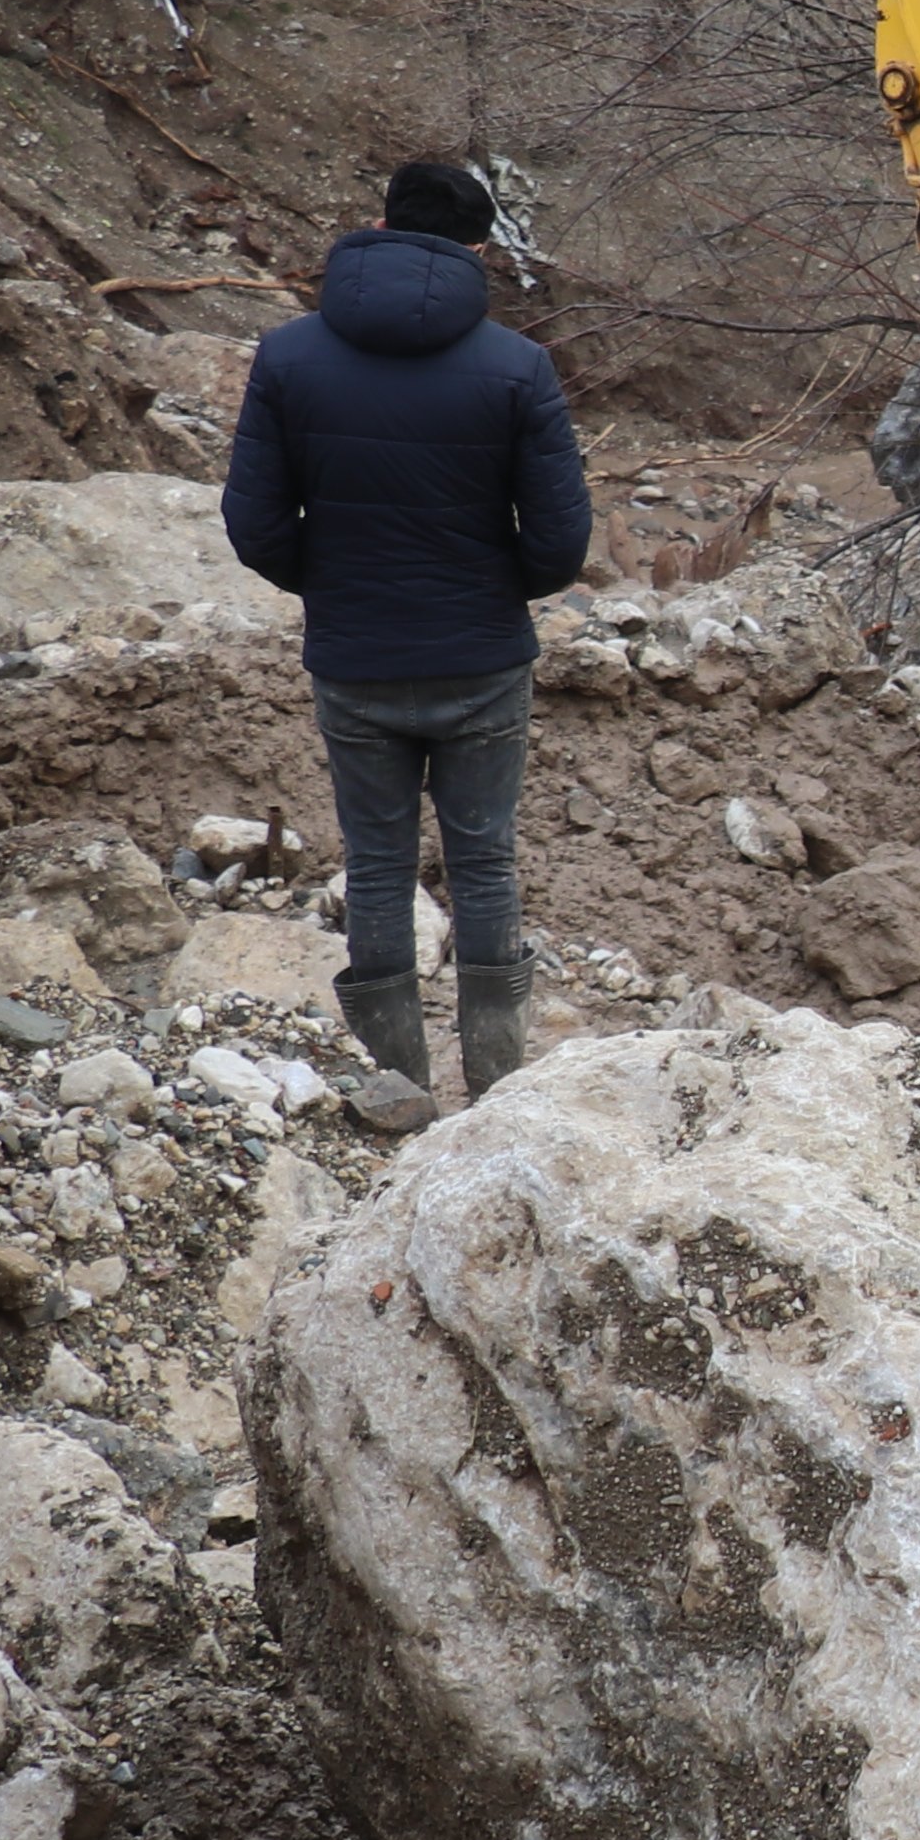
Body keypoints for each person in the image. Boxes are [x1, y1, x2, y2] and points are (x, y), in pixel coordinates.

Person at [220, 159, 593, 1129]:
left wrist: (338, 584)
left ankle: (399, 1098)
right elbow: (559, 544)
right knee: (484, 861)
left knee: (378, 863)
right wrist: (485, 586)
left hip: (355, 658)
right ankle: (498, 1093)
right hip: (481, 660)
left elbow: (256, 526)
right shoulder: (519, 368)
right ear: (478, 252)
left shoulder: (288, 356)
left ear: (380, 223)